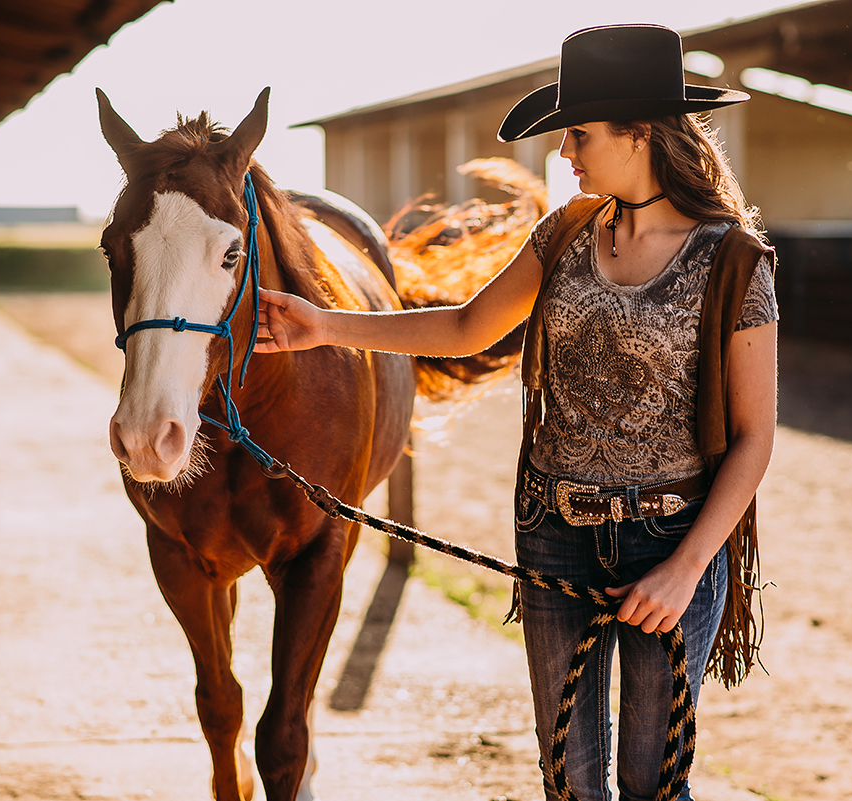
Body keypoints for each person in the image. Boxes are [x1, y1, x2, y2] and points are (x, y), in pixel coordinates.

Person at [255, 23, 778, 801]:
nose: (565, 153)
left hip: (672, 539)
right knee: (568, 780)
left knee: (652, 785)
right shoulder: (563, 233)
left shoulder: (734, 259)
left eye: (579, 134)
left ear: (638, 132)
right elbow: (467, 326)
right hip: (554, 532)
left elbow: (755, 437)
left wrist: (685, 568)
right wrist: (324, 326)